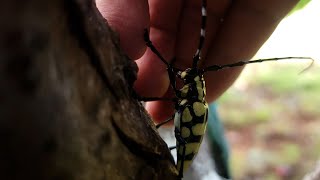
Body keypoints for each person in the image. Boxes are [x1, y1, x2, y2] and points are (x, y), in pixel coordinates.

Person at [96, 0, 300, 123]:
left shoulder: (195, 103)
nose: (184, 73)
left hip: (183, 139)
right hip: (180, 129)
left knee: (167, 96)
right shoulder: (195, 100)